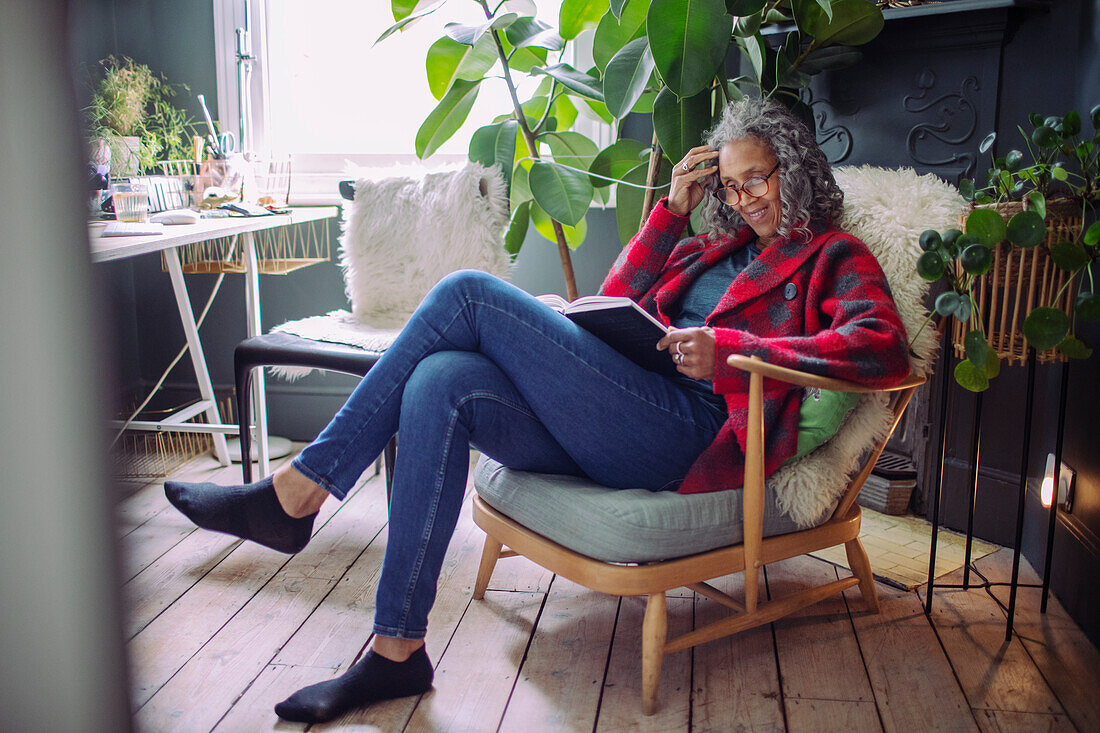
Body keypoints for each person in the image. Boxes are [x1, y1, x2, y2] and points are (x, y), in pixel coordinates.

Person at [164, 96, 910, 724]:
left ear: (798, 173)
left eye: (759, 180)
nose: (744, 198)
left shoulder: (834, 255)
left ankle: (297, 493)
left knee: (466, 293)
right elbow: (618, 295)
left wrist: (733, 350)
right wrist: (670, 213)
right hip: (626, 407)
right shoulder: (713, 248)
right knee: (442, 380)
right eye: (734, 184)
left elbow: (882, 350)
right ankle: (397, 650)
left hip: (693, 433)